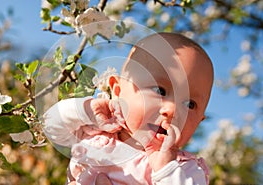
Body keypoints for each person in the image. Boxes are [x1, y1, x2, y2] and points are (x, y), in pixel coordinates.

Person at [43, 32, 214, 184]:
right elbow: (50, 125)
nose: (172, 110)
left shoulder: (184, 171)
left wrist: (165, 169)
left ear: (199, 121)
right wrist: (86, 111)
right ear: (117, 91)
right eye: (160, 90)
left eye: (190, 104)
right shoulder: (96, 134)